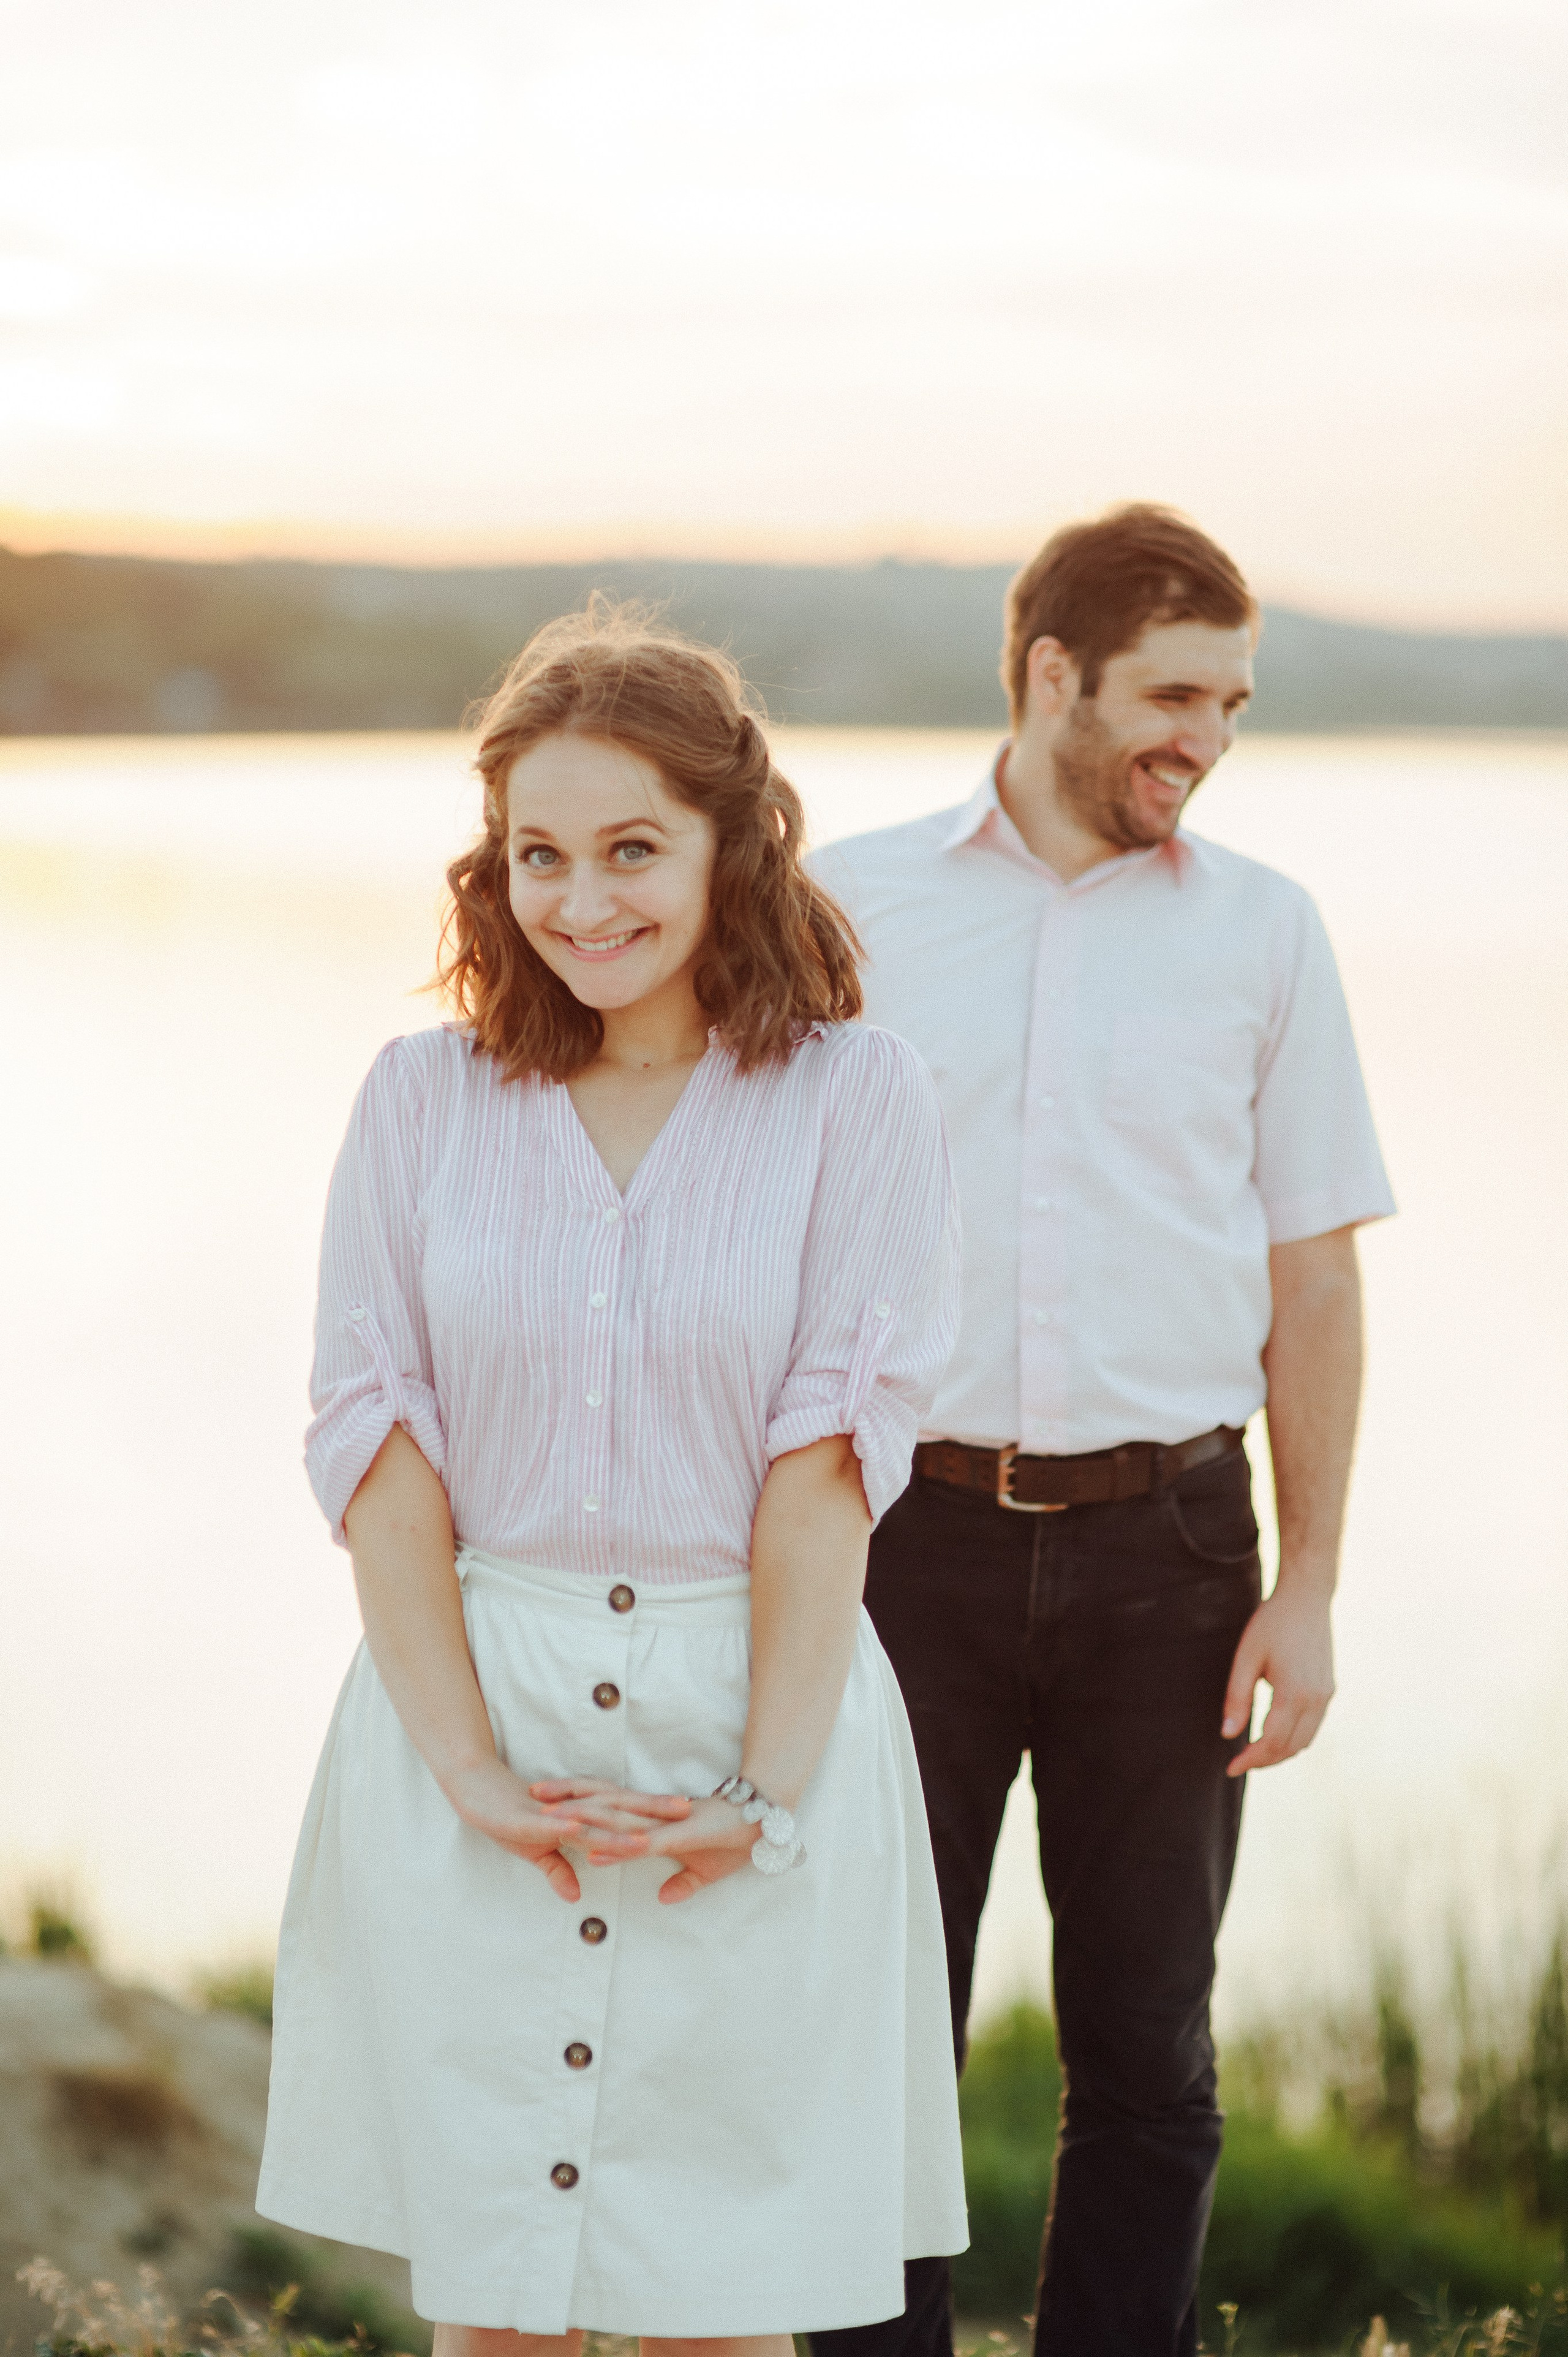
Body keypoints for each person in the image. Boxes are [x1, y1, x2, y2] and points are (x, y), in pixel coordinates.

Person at [256, 603, 969, 2356]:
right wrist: (472, 1774)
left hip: (754, 1723)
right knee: (499, 2315)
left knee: (714, 2311)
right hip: (468, 1719)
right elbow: (379, 1448)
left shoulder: (856, 1098)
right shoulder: (419, 1100)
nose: (581, 902)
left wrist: (766, 1792)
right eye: (539, 855)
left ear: (738, 840)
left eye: (633, 848)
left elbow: (825, 1471)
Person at [810, 505, 1395, 2357]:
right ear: (1049, 672)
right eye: (1171, 695)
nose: (1205, 741)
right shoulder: (849, 909)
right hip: (903, 1546)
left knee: (1151, 2050)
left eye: (1232, 703)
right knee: (874, 2033)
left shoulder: (1268, 934)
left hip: (1176, 1553)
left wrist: (1308, 1590)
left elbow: (1315, 1278)